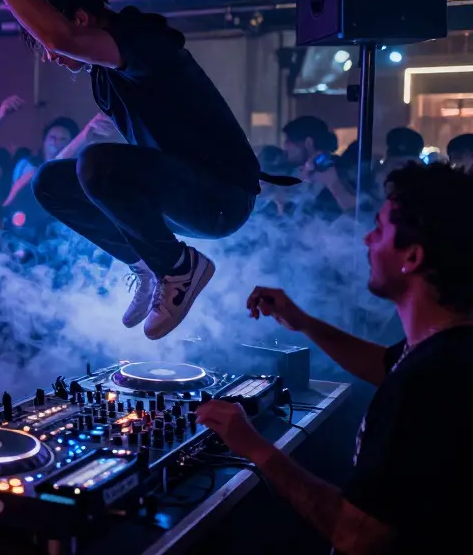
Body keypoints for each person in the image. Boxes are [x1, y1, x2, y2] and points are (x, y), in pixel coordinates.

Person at [0, 0, 291, 340]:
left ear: (82, 21)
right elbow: (79, 13)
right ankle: (148, 264)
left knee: (96, 163)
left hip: (220, 196)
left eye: (51, 50)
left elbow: (63, 31)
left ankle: (180, 269)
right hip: (173, 195)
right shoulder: (110, 41)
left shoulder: (142, 44)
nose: (53, 56)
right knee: (49, 182)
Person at [198, 162, 473, 554]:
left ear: (411, 256)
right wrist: (305, 323)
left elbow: (358, 536)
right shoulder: (446, 347)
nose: (366, 240)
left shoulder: (429, 383)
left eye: (379, 228)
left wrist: (252, 445)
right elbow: (385, 366)